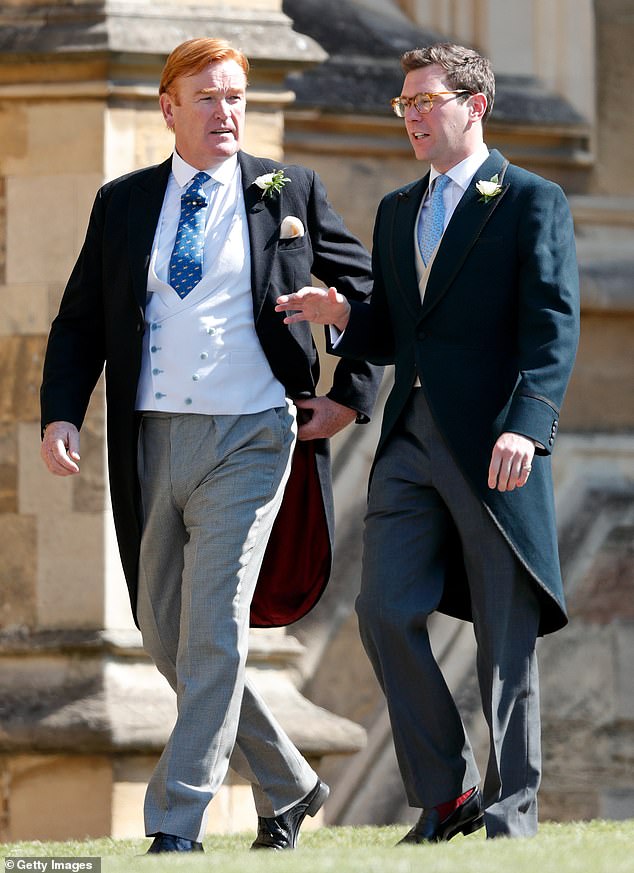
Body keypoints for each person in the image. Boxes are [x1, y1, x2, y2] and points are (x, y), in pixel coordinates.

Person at [40, 37, 381, 853]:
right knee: (165, 633)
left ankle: (176, 820)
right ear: (169, 109)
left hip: (255, 434)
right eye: (208, 98)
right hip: (152, 439)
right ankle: (292, 784)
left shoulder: (286, 190)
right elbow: (80, 319)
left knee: (215, 624)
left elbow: (367, 294)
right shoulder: (123, 202)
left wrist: (349, 394)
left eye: (235, 96)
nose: (226, 112)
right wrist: (59, 413)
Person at [276, 42, 580, 841]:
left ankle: (512, 814)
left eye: (424, 101)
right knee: (382, 609)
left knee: (504, 637)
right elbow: (395, 332)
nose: (411, 116)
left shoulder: (530, 198)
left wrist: (528, 422)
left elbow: (552, 324)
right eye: (402, 105)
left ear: (473, 105)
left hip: (492, 445)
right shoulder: (395, 210)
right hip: (407, 442)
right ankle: (447, 792)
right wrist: (340, 316)